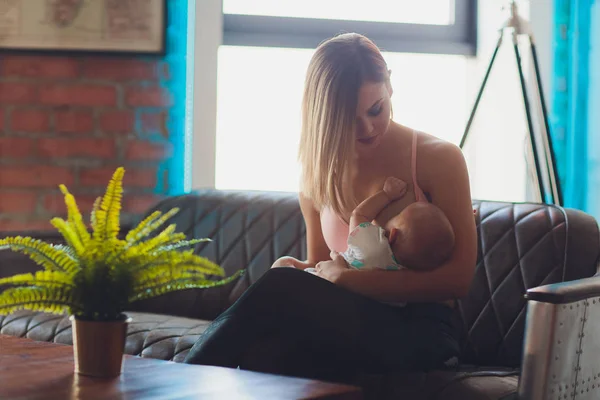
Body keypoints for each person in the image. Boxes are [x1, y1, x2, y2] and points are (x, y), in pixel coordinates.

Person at [184, 32, 477, 383]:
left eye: (376, 109)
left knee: (280, 289)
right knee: (266, 352)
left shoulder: (438, 158)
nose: (367, 128)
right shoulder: (317, 173)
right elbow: (323, 266)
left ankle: (180, 383)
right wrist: (300, 268)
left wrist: (350, 281)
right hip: (351, 325)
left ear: (390, 88)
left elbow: (458, 280)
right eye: (348, 119)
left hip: (423, 332)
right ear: (323, 116)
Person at [272, 176, 455, 276]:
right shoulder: (402, 274)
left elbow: (359, 215)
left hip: (322, 283)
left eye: (398, 215)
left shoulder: (371, 244)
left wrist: (386, 195)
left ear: (393, 235)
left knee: (281, 266)